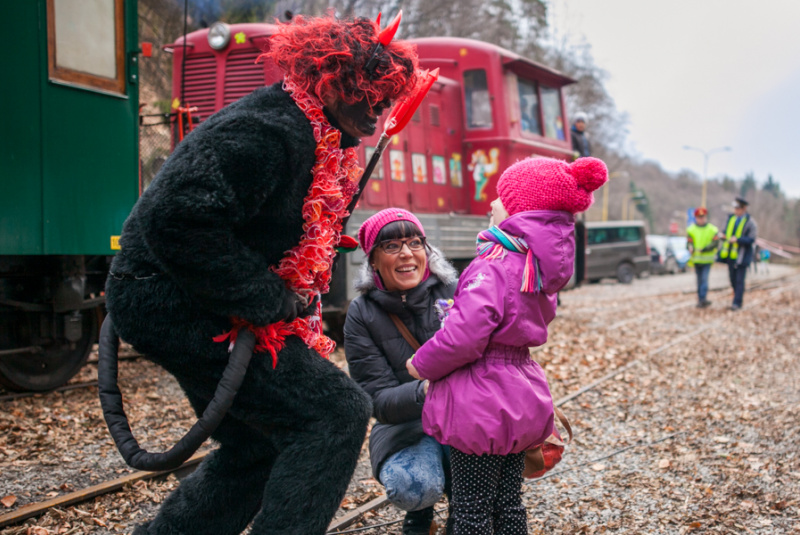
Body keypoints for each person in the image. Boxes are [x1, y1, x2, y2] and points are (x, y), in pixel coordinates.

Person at [104, 15, 419, 535]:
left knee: (258, 440)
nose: (382, 108)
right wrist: (267, 296)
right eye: (372, 94)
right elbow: (176, 220)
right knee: (334, 415)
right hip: (168, 301)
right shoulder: (267, 130)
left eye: (389, 97)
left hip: (187, 298)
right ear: (333, 82)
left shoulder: (311, 132)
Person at [407, 156, 608, 534]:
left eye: (500, 198)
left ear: (522, 209)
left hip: (481, 402)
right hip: (519, 396)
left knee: (471, 510)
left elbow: (466, 334)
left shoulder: (494, 263)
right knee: (509, 503)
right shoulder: (535, 266)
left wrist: (422, 363)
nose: (492, 205)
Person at [344, 208, 458, 535]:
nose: (406, 253)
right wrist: (424, 390)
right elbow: (377, 401)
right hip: (405, 427)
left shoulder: (455, 291)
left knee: (475, 477)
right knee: (413, 485)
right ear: (374, 261)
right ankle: (421, 510)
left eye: (414, 242)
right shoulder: (361, 313)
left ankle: (460, 513)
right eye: (391, 246)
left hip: (463, 418)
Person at [718, 197, 757, 311]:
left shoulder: (750, 222)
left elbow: (751, 239)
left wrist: (738, 239)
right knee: (732, 279)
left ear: (744, 209)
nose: (736, 210)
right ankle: (736, 298)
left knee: (740, 280)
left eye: (738, 208)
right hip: (730, 255)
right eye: (735, 208)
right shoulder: (730, 219)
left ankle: (737, 303)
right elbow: (724, 232)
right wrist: (722, 235)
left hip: (743, 256)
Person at [686, 207, 719, 307]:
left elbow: (715, 242)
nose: (701, 219)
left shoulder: (712, 229)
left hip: (707, 260)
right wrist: (690, 247)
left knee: (704, 280)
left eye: (703, 217)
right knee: (699, 280)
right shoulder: (691, 229)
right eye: (699, 217)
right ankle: (700, 299)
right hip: (696, 260)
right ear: (696, 218)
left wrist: (704, 249)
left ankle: (703, 299)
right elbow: (688, 242)